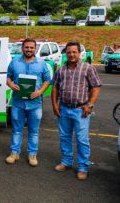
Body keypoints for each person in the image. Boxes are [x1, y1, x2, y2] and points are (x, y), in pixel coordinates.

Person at [51, 41, 101, 180]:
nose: (71, 54)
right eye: (69, 52)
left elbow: (96, 87)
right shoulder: (60, 70)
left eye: (74, 52)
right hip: (64, 109)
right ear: (65, 54)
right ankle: (66, 162)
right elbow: (55, 87)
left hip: (81, 110)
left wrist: (89, 105)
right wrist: (55, 105)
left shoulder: (88, 68)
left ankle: (83, 167)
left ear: (79, 53)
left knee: (82, 140)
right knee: (64, 137)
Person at [5, 38, 51, 167]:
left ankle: (32, 154)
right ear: (22, 48)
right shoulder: (14, 62)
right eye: (26, 47)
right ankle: (14, 153)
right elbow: (8, 77)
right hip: (18, 103)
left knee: (34, 131)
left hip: (35, 103)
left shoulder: (42, 64)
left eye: (31, 47)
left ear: (35, 49)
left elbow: (47, 80)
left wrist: (40, 91)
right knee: (17, 130)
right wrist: (11, 85)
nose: (29, 49)